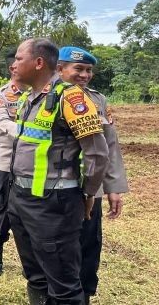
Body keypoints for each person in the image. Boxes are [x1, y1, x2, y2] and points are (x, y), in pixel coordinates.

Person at [8, 38, 109, 305]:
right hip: (21, 199)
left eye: (19, 58)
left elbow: (97, 153)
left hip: (54, 206)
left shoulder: (71, 96)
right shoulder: (28, 99)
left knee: (63, 284)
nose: (13, 64)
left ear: (38, 62)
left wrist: (88, 194)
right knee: (36, 276)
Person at [56, 46, 128, 304]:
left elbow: (109, 145)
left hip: (91, 187)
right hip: (56, 186)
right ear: (59, 69)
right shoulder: (45, 98)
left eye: (89, 70)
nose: (85, 75)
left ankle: (84, 294)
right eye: (79, 69)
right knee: (57, 247)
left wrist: (113, 187)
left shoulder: (97, 100)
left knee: (88, 243)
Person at [0, 52, 25, 278]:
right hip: (7, 162)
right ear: (12, 68)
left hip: (38, 165)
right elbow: (2, 122)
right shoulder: (2, 95)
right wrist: (32, 133)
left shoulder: (45, 93)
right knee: (4, 209)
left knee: (36, 212)